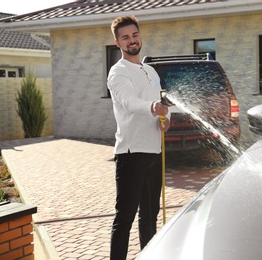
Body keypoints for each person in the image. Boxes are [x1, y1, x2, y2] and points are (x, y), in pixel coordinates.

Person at [107, 15, 171, 260]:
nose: (132, 40)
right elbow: (130, 102)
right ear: (117, 42)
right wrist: (153, 107)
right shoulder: (118, 72)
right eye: (125, 37)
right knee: (125, 217)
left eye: (134, 35)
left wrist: (164, 119)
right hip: (131, 153)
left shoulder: (150, 71)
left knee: (150, 215)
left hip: (155, 150)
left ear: (140, 36)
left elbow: (159, 103)